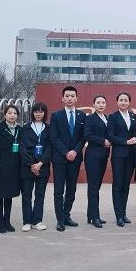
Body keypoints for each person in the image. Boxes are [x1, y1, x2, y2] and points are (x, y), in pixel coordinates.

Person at [50, 86, 86, 231]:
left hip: (75, 158)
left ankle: (66, 215)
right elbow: (54, 138)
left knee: (71, 189)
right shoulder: (56, 116)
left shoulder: (82, 116)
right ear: (63, 98)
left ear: (76, 98)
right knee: (59, 189)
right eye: (67, 96)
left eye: (72, 96)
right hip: (60, 158)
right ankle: (60, 220)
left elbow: (83, 137)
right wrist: (66, 152)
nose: (70, 98)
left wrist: (75, 151)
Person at [19, 102, 52, 232]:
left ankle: (37, 221)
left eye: (41, 111)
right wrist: (32, 164)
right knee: (26, 195)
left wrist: (40, 163)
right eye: (36, 111)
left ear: (44, 113)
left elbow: (50, 147)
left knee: (40, 195)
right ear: (32, 113)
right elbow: (22, 147)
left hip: (43, 166)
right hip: (27, 167)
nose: (38, 114)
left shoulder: (49, 128)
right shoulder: (25, 128)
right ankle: (27, 221)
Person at [107, 92, 136, 227]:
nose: (123, 102)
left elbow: (135, 133)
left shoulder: (133, 116)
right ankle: (118, 215)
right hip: (118, 155)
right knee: (118, 184)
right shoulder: (113, 117)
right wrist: (126, 142)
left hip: (131, 156)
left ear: (129, 102)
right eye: (121, 100)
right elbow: (111, 136)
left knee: (126, 185)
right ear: (117, 102)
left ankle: (123, 213)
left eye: (126, 100)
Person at [0, 105, 21, 233]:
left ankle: (7, 221)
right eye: (9, 113)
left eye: (15, 113)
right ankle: (0, 222)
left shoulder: (20, 129)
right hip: (1, 167)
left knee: (9, 195)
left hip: (14, 167)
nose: (12, 115)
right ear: (5, 115)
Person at [84, 95, 111, 228]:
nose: (101, 105)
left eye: (103, 102)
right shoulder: (90, 119)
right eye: (98, 102)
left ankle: (91, 215)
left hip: (104, 156)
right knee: (93, 187)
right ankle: (95, 217)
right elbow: (87, 135)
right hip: (92, 156)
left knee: (96, 186)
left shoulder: (107, 118)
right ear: (93, 104)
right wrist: (103, 141)